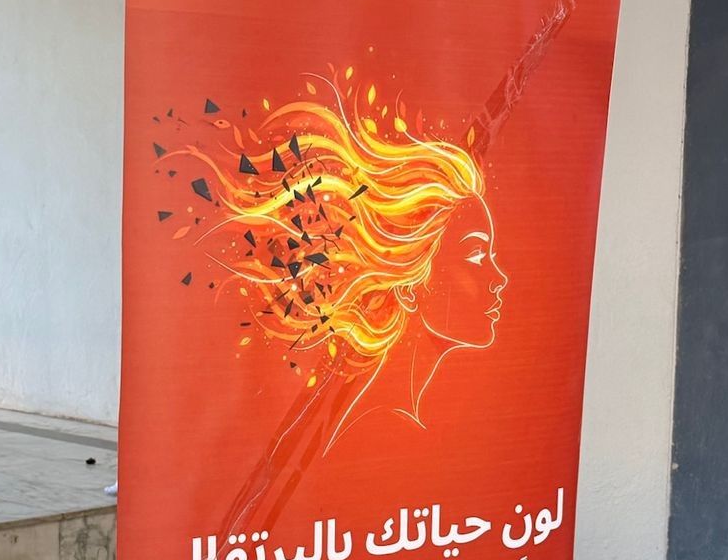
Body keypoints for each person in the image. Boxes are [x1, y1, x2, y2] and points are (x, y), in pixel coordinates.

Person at [198, 75, 507, 451]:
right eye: (477, 254)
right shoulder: (387, 429)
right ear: (410, 287)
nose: (500, 277)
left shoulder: (394, 415)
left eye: (491, 256)